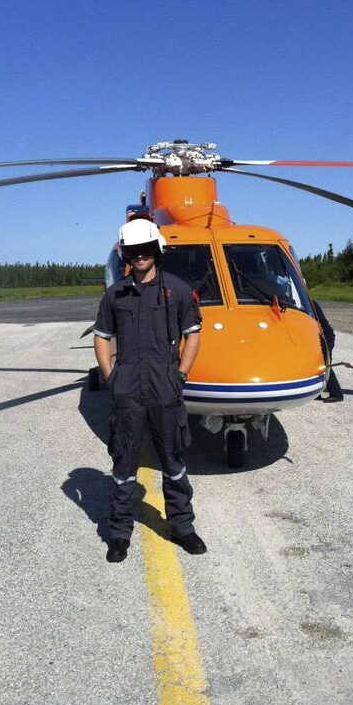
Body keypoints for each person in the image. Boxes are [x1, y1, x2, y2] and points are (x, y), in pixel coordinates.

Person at [93, 218, 206, 563]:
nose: (139, 256)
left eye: (145, 250)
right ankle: (119, 532)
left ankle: (182, 526)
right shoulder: (115, 294)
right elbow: (101, 336)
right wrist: (110, 376)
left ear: (156, 251)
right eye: (133, 251)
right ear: (126, 255)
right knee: (124, 462)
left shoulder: (177, 290)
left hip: (164, 387)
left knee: (173, 461)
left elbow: (193, 334)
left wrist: (181, 374)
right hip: (128, 388)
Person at [311, 299, 344, 402]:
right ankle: (317, 392)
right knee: (315, 363)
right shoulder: (308, 302)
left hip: (325, 336)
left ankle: (337, 394)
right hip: (321, 335)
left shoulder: (308, 303)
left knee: (325, 364)